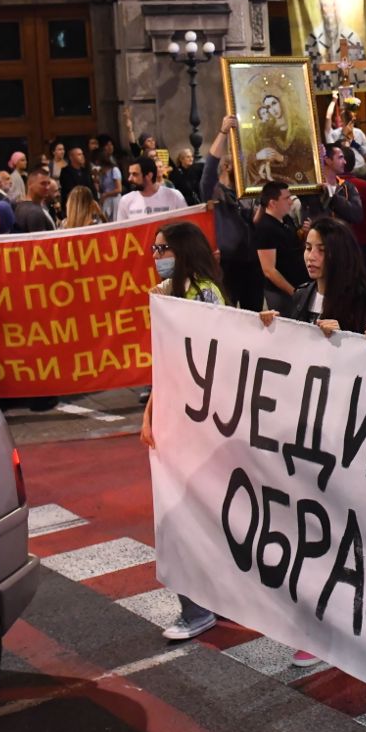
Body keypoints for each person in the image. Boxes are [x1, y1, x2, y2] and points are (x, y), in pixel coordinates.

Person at [140, 220, 234, 643]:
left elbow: (207, 357)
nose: (158, 258)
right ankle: (207, 600)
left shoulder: (202, 293)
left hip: (200, 422)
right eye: (155, 250)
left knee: (182, 515)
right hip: (179, 417)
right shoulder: (169, 295)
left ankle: (198, 608)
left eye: (165, 250)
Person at [279, 216, 366, 336]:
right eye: (308, 248)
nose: (311, 257)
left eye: (322, 250)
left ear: (340, 254)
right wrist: (270, 326)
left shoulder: (362, 303)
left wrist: (342, 338)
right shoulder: (301, 295)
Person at [250, 180, 307, 311]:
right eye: (286, 198)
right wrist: (294, 292)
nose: (291, 201)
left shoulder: (286, 219)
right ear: (273, 203)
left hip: (297, 285)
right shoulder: (265, 228)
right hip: (282, 293)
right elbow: (269, 270)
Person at [116, 158, 186, 221]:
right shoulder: (125, 200)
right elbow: (121, 231)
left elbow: (186, 224)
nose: (129, 179)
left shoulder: (174, 195)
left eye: (135, 174)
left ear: (149, 175)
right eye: (130, 174)